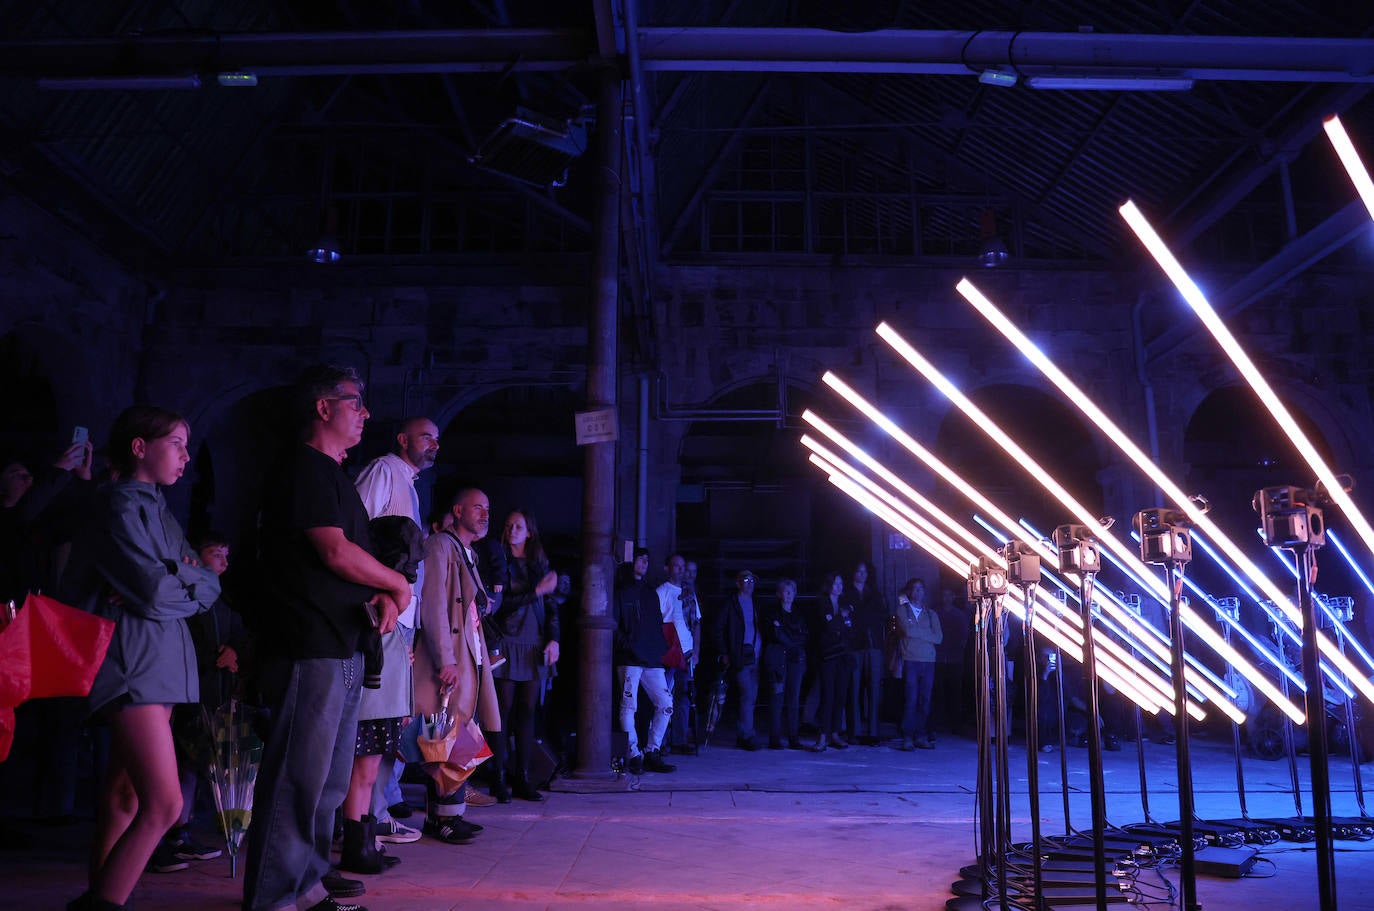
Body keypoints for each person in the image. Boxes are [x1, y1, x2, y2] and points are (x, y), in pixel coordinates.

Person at [242, 365, 408, 911]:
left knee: (329, 782)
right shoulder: (304, 468)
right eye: (355, 403)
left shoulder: (334, 475)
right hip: (307, 639)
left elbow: (347, 562)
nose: (365, 413)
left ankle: (307, 885)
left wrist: (379, 593)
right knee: (298, 776)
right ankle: (273, 895)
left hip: (343, 639)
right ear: (323, 408)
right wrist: (395, 581)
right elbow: (332, 551)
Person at [60, 406, 222, 911]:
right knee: (165, 803)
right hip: (134, 663)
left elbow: (209, 582)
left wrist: (187, 580)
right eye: (175, 442)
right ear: (139, 447)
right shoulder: (118, 506)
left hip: (157, 662)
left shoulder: (155, 506)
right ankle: (101, 905)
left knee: (125, 800)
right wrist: (185, 579)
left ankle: (102, 896)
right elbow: (154, 593)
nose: (185, 455)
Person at [347, 417, 441, 856]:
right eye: (426, 436)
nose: (433, 444)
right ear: (402, 439)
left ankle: (373, 817)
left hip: (400, 620)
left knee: (388, 729)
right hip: (380, 615)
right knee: (371, 727)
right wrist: (380, 593)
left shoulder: (410, 484)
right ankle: (358, 825)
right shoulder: (384, 470)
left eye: (436, 439)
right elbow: (355, 531)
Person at [414, 487, 502, 842]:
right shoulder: (439, 546)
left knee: (458, 735)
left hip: (470, 657)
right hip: (452, 658)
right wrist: (445, 659)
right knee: (443, 736)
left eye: (487, 508)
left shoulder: (468, 552)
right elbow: (433, 603)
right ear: (458, 510)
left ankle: (450, 815)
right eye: (477, 508)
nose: (484, 514)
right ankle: (441, 820)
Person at [488, 509, 560, 802]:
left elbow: (552, 605)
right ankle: (497, 777)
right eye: (508, 525)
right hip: (506, 641)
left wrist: (554, 639)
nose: (512, 529)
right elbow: (500, 606)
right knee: (501, 713)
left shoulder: (539, 564)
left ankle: (523, 777)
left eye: (518, 526)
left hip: (533, 644)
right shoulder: (498, 561)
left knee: (528, 713)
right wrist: (536, 591)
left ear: (529, 531)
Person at [612, 547, 675, 774]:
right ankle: (634, 755)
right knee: (629, 706)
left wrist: (659, 650)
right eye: (640, 559)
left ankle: (651, 751)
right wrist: (628, 645)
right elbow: (613, 625)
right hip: (629, 658)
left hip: (650, 658)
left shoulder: (650, 593)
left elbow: (657, 624)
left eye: (647, 560)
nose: (645, 563)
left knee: (666, 704)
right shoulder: (620, 592)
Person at [711, 570, 764, 751]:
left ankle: (745, 733)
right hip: (740, 657)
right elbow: (718, 628)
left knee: (752, 695)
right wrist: (725, 652)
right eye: (746, 580)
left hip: (755, 656)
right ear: (738, 583)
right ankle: (746, 735)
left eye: (752, 580)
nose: (750, 583)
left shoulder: (756, 602)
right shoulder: (731, 604)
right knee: (747, 694)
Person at [894, 578, 942, 751]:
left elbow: (938, 637)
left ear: (924, 592)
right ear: (909, 591)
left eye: (920, 589)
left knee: (925, 700)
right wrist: (925, 633)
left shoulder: (931, 614)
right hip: (910, 660)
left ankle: (921, 735)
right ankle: (907, 736)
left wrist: (916, 632)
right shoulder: (902, 611)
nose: (917, 592)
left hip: (928, 661)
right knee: (911, 698)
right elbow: (906, 631)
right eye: (914, 589)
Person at [844, 562, 887, 745]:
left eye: (864, 571)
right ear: (854, 573)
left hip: (874, 644)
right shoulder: (846, 593)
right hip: (854, 645)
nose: (862, 574)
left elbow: (883, 616)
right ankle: (854, 731)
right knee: (854, 689)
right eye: (858, 571)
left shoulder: (875, 594)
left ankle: (873, 731)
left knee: (874, 689)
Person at [810, 572, 853, 752]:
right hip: (827, 656)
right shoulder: (821, 603)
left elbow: (850, 627)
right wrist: (840, 620)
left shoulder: (845, 604)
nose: (839, 586)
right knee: (827, 696)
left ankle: (835, 733)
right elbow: (828, 627)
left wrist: (840, 621)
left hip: (843, 655)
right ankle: (822, 735)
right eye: (835, 583)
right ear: (829, 585)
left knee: (840, 695)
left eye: (841, 583)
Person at [762, 578, 807, 750]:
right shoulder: (771, 613)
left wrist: (782, 631)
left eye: (791, 592)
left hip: (795, 660)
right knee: (777, 698)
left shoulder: (799, 615)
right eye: (785, 592)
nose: (788, 595)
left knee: (793, 699)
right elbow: (774, 635)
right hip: (777, 661)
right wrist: (787, 634)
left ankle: (793, 738)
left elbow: (802, 636)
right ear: (779, 594)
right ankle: (775, 738)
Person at [655, 554, 693, 752]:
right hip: (670, 653)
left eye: (682, 565)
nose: (679, 569)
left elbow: (697, 623)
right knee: (664, 697)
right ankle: (660, 743)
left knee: (683, 698)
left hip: (687, 653)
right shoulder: (662, 591)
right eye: (675, 565)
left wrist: (697, 650)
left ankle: (679, 740)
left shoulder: (689, 593)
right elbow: (657, 622)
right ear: (667, 568)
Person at [931, 588, 970, 735]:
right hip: (939, 657)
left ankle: (955, 723)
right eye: (944, 594)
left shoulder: (959, 615)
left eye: (949, 594)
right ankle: (939, 722)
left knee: (955, 692)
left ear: (953, 596)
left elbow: (964, 636)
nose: (946, 598)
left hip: (954, 658)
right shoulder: (936, 613)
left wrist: (959, 649)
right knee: (938, 691)